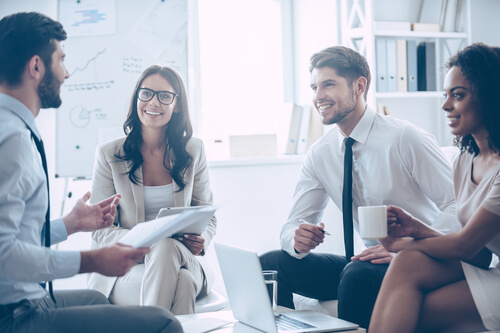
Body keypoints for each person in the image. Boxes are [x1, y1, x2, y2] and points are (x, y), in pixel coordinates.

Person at [0, 12, 182, 333]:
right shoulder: (12, 138)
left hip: (27, 299)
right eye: (61, 60)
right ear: (37, 67)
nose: (67, 73)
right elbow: (3, 255)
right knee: (164, 324)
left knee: (98, 300)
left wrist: (71, 224)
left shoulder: (15, 128)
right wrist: (91, 260)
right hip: (14, 314)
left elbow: (17, 236)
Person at [259, 45, 461, 328]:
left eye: (328, 84)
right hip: (368, 260)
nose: (318, 96)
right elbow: (292, 224)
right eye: (314, 87)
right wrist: (296, 238)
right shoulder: (321, 153)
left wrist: (409, 249)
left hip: (421, 258)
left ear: (359, 86)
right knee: (270, 264)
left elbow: (457, 205)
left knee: (356, 274)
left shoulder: (404, 137)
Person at [369, 43, 500, 333]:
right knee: (409, 263)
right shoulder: (466, 160)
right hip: (492, 267)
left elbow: (465, 246)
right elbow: (480, 253)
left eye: (458, 95)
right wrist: (417, 230)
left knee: (409, 309)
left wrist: (398, 243)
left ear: (490, 96)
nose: (445, 105)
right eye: (446, 95)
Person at [87, 64, 216, 315]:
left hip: (184, 257)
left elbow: (208, 214)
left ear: (176, 104)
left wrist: (203, 240)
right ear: (137, 97)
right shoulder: (109, 154)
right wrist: (144, 237)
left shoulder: (194, 151)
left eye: (164, 96)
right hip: (127, 264)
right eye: (146, 93)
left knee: (167, 248)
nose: (153, 103)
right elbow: (99, 230)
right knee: (184, 283)